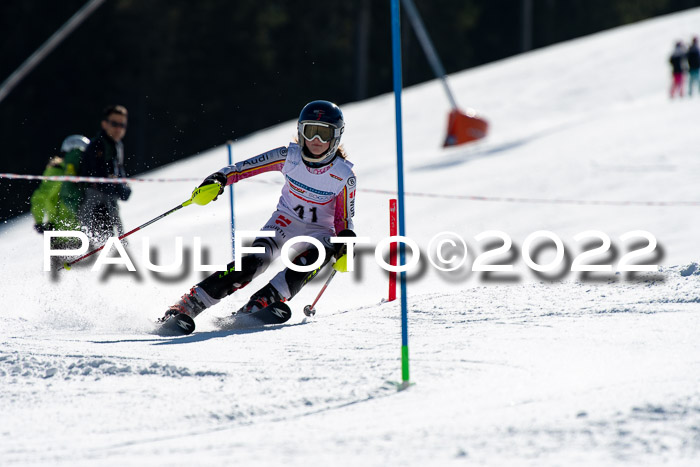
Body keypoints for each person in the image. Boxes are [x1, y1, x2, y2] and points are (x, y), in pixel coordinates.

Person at [161, 100, 356, 322]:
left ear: (336, 136)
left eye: (324, 133)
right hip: (283, 224)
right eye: (310, 131)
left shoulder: (343, 175)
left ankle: (264, 301)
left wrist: (346, 241)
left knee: (318, 255)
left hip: (318, 233)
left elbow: (343, 218)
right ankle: (188, 305)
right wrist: (219, 179)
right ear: (301, 131)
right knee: (252, 263)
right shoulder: (288, 156)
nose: (316, 140)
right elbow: (241, 169)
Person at [78, 105, 132, 244]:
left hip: (111, 205)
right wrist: (117, 186)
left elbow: (119, 176)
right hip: (94, 207)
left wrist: (123, 187)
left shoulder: (117, 145)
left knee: (121, 246)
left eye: (122, 125)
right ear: (104, 124)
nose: (119, 128)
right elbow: (98, 180)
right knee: (99, 247)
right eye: (114, 123)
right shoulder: (97, 146)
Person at [30, 135, 90, 235]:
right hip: (69, 235)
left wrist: (39, 222)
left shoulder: (57, 171)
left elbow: (39, 198)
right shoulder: (56, 172)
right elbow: (40, 197)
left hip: (65, 235)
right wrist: (39, 222)